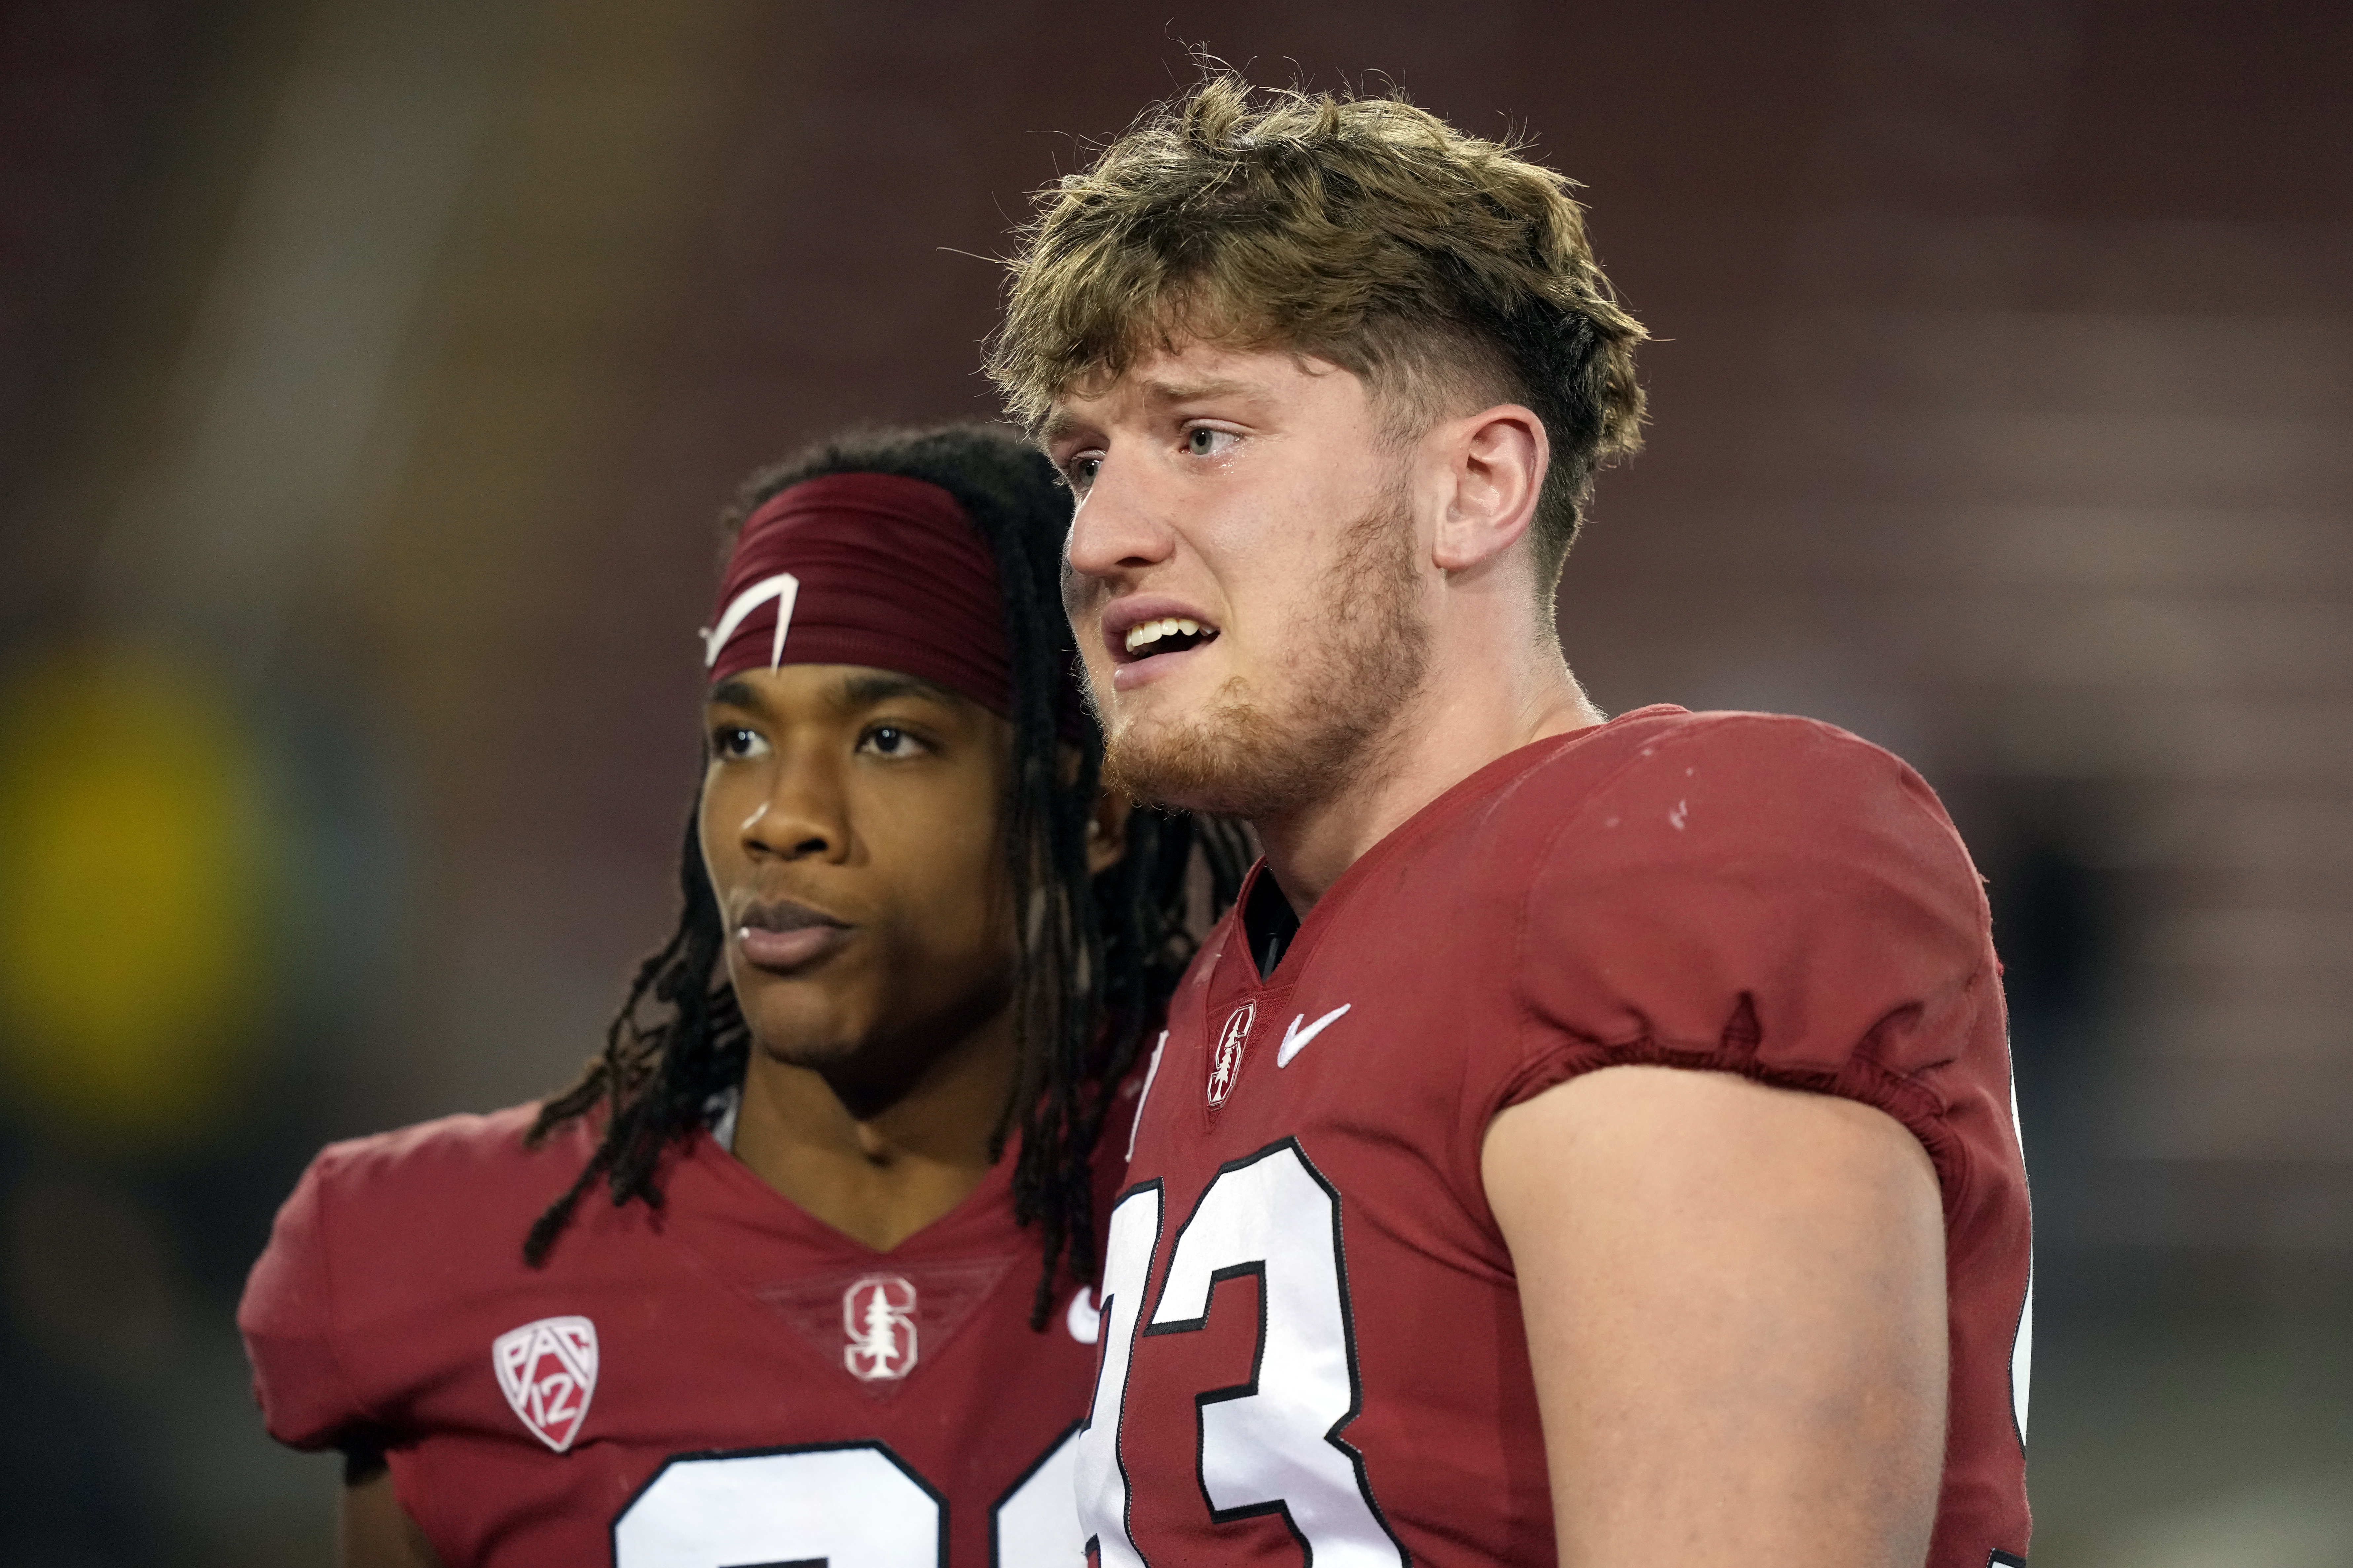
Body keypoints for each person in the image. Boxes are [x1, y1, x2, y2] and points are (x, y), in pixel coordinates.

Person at [988, 77, 2034, 1568]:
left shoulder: (1664, 850)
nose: (1098, 537)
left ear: (1474, 485)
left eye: (1202, 435)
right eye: (1086, 461)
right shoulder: (1236, 990)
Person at [238, 425, 1244, 1566]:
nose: (781, 814)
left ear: (1094, 809)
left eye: (888, 738)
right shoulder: (431, 1260)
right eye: (743, 738)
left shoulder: (1258, 1208)